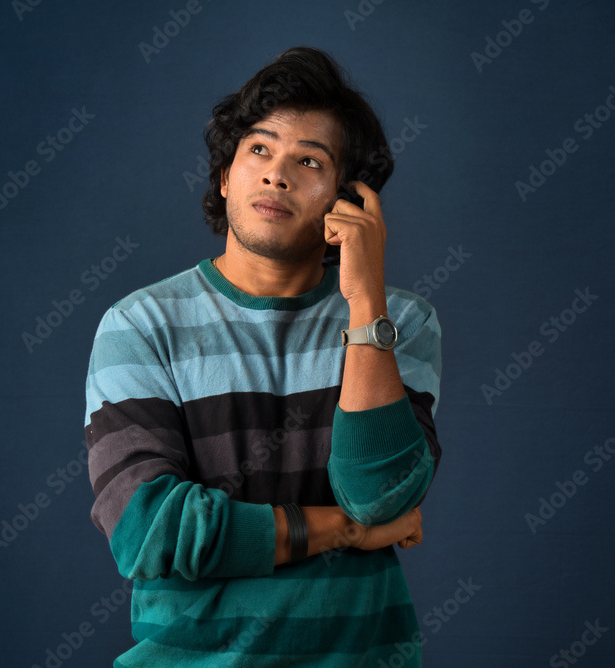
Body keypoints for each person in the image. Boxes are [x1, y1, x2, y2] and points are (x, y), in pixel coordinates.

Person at [84, 46, 442, 667]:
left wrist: (365, 303)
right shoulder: (139, 325)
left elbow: (380, 496)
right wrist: (347, 532)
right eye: (258, 149)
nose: (277, 174)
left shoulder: (399, 322)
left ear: (347, 200)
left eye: (309, 160)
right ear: (225, 177)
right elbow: (151, 532)